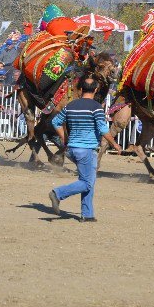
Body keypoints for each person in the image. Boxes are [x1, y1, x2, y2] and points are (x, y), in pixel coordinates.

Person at [48, 76, 122, 222]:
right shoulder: (96, 108)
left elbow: (55, 121)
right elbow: (102, 128)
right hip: (86, 150)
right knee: (87, 183)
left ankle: (87, 214)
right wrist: (114, 144)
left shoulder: (70, 105)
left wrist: (64, 138)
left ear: (80, 89)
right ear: (95, 90)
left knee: (88, 180)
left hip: (72, 149)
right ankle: (58, 193)